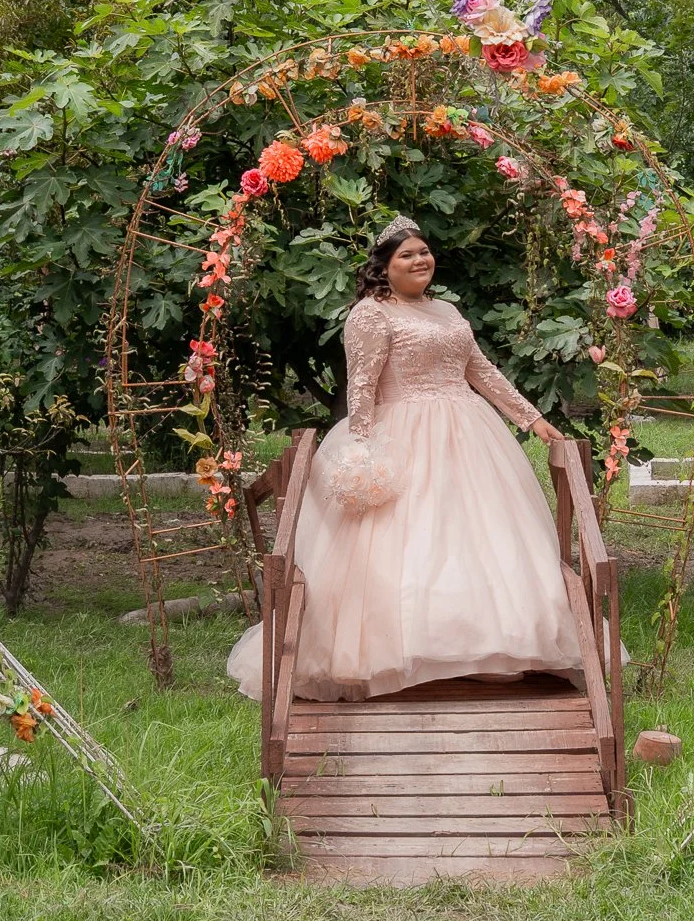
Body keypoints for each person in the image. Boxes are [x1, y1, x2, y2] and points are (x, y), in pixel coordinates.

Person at [227, 215, 585, 701]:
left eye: (424, 252)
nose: (420, 261)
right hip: (402, 433)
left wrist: (531, 418)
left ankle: (495, 648)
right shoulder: (371, 313)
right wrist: (361, 447)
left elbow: (480, 370)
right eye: (407, 255)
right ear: (384, 267)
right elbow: (363, 386)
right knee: (411, 543)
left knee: (481, 537)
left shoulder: (447, 311)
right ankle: (403, 651)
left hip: (469, 434)